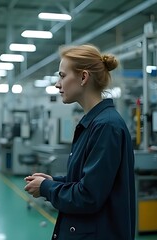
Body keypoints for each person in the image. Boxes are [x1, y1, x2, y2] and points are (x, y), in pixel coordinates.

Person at [24, 44, 135, 240]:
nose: (58, 84)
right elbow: (86, 180)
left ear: (83, 77)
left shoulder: (106, 126)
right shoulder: (93, 123)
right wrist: (54, 182)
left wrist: (46, 188)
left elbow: (88, 196)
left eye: (62, 76)